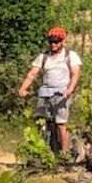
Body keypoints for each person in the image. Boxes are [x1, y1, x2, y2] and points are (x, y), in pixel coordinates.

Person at [17, 26, 81, 154]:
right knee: (40, 121)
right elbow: (32, 74)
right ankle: (41, 150)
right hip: (45, 92)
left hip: (62, 93)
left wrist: (70, 89)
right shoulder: (43, 57)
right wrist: (23, 88)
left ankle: (64, 154)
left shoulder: (70, 56)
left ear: (62, 41)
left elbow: (75, 74)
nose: (53, 44)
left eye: (56, 41)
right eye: (51, 41)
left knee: (61, 123)